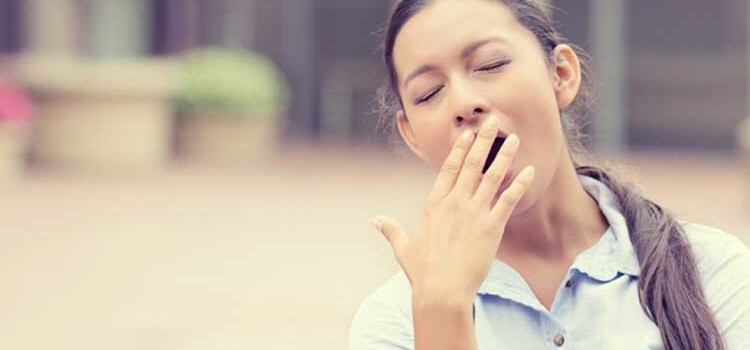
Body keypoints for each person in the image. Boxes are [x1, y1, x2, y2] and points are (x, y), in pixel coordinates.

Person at [349, 0, 750, 349]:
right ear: (412, 135)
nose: (464, 103)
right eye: (429, 93)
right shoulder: (396, 320)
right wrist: (443, 312)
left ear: (561, 74)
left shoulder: (711, 273)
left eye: (491, 64)